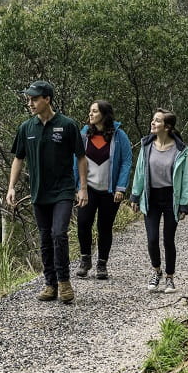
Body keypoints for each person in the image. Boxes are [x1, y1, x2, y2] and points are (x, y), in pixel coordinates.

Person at [7, 80, 88, 304]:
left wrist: (83, 188)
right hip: (39, 192)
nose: (30, 103)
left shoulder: (68, 125)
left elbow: (81, 157)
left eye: (34, 99)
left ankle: (64, 282)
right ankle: (50, 284)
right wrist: (11, 187)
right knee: (44, 239)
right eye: (29, 99)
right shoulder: (26, 128)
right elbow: (18, 158)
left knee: (58, 234)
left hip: (63, 190)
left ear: (47, 99)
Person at [129, 108, 188, 294]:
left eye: (157, 121)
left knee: (168, 240)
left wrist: (184, 204)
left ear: (168, 126)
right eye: (153, 120)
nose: (153, 123)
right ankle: (156, 272)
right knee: (152, 239)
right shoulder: (146, 147)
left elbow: (185, 178)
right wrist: (135, 195)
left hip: (171, 198)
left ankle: (170, 278)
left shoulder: (180, 150)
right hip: (151, 197)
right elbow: (140, 172)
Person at [73, 100, 132, 280]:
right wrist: (76, 186)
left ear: (104, 115)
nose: (90, 114)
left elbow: (126, 161)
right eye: (90, 111)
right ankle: (85, 260)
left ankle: (102, 264)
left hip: (110, 191)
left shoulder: (119, 136)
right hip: (88, 189)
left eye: (94, 111)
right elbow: (75, 160)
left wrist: (121, 187)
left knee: (104, 227)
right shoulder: (84, 135)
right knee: (83, 223)